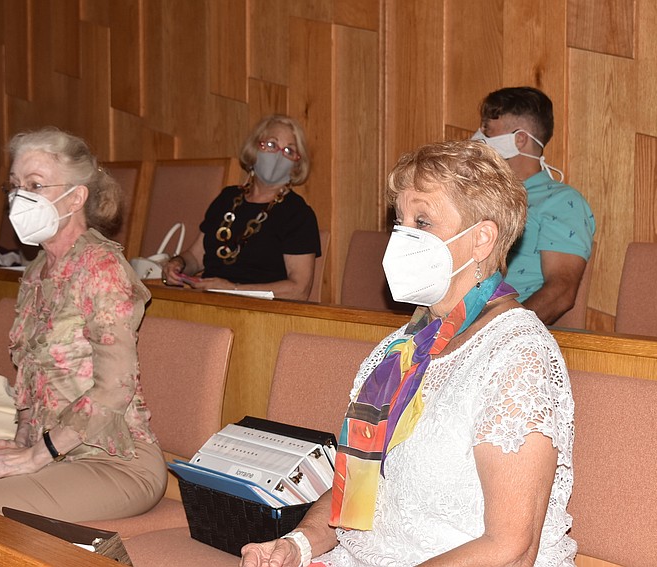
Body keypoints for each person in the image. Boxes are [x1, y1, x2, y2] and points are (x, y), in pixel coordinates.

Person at [241, 140, 576, 566]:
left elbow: (512, 548)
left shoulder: (517, 355)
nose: (402, 237)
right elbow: (361, 486)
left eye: (422, 220)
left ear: (482, 239)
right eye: (399, 220)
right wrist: (297, 545)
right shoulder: (403, 347)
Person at [0, 127, 167, 522]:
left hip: (115, 462)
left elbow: (115, 388)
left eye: (35, 185)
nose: (19, 197)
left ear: (76, 196)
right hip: (53, 455)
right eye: (14, 186)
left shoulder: (101, 267)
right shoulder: (38, 270)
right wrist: (19, 446)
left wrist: (37, 455)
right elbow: (31, 381)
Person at [161, 114, 321, 301]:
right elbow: (196, 258)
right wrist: (176, 264)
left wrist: (234, 289)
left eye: (289, 151)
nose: (279, 155)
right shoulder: (227, 198)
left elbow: (299, 290)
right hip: (207, 303)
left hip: (261, 312)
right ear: (254, 150)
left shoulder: (298, 214)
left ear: (296, 166)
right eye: (271, 145)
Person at [472, 87, 595, 325]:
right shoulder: (478, 197)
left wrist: (499, 333)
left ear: (519, 140)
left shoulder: (561, 202)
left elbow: (561, 292)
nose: (477, 138)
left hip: (510, 335)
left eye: (487, 130)